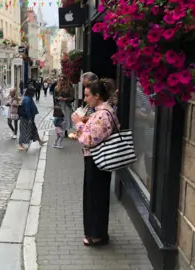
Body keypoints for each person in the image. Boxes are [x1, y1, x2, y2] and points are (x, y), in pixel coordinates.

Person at [71, 79, 119, 247]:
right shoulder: (101, 111)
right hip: (97, 159)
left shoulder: (103, 114)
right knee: (94, 197)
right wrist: (85, 121)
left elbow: (89, 139)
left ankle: (97, 235)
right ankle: (96, 232)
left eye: (87, 95)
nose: (85, 99)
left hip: (97, 160)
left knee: (95, 198)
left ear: (97, 96)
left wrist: (78, 123)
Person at [18, 87, 46, 151]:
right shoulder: (27, 99)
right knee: (24, 131)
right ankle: (20, 144)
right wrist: (30, 119)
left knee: (34, 130)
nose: (34, 93)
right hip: (26, 118)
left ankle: (39, 141)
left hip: (29, 117)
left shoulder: (28, 97)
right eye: (33, 92)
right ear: (31, 92)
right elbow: (27, 110)